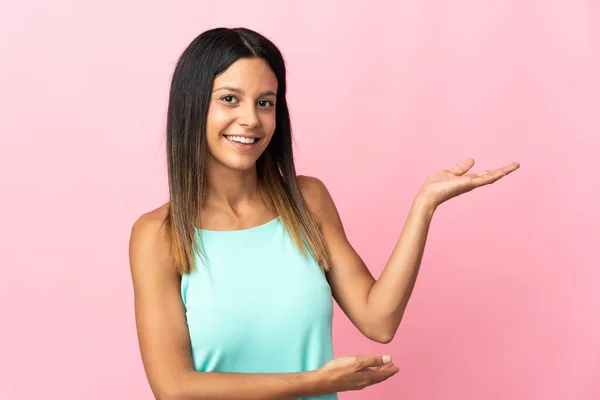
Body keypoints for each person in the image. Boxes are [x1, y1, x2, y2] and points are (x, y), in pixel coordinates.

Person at [128, 27, 520, 400]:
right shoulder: (157, 235)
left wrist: (423, 206)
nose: (251, 119)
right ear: (193, 105)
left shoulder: (306, 200)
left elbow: (378, 320)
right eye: (229, 99)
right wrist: (313, 382)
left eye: (265, 102)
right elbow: (174, 388)